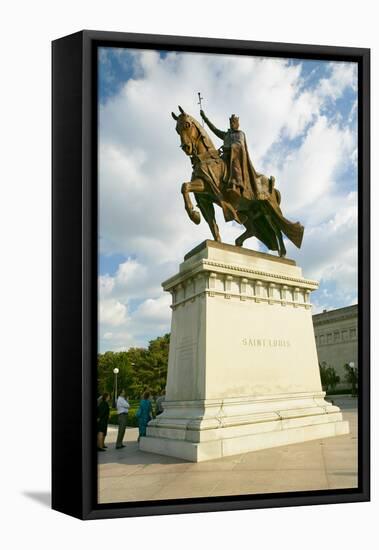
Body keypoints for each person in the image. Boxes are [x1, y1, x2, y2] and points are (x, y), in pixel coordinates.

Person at [200, 110, 261, 201]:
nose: (232, 124)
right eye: (231, 122)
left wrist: (230, 148)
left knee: (234, 162)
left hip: (235, 156)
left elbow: (240, 145)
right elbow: (214, 129)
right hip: (224, 157)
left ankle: (236, 185)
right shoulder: (226, 135)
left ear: (237, 124)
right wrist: (205, 118)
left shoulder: (240, 133)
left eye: (234, 122)